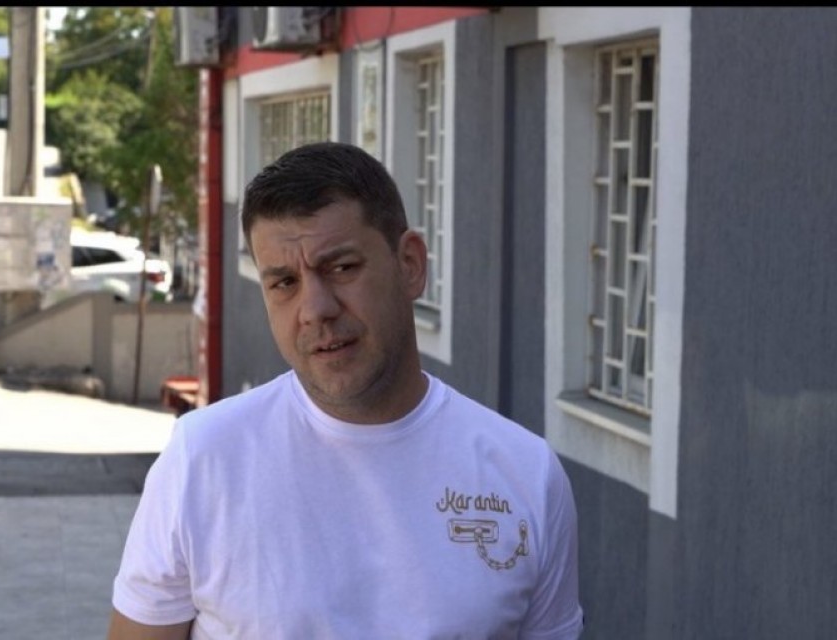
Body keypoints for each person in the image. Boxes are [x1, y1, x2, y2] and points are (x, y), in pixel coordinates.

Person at [108, 142, 584, 639]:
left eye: (341, 267)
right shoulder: (203, 459)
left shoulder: (526, 474)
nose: (316, 308)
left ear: (410, 265)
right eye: (284, 282)